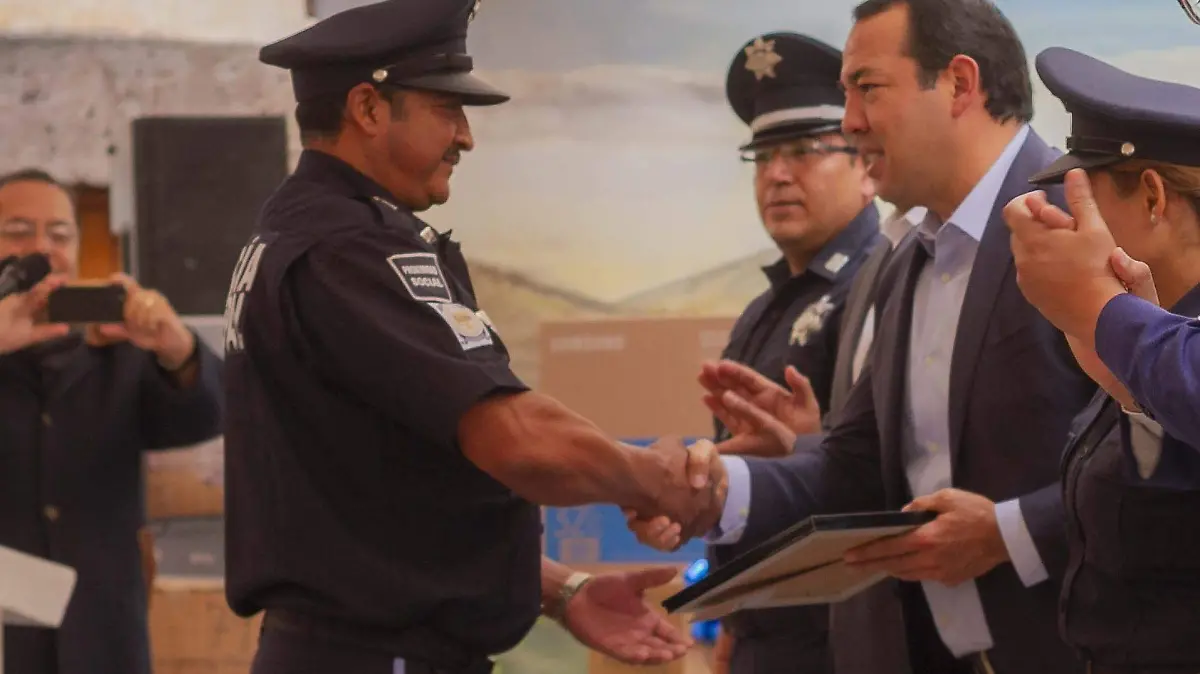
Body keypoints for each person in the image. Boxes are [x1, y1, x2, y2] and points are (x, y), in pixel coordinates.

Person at [222, 2, 723, 673]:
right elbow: (515, 438)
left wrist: (559, 591)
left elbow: (374, 494)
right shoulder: (348, 251)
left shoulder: (300, 232)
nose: (466, 137)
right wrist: (652, 479)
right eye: (446, 109)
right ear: (369, 108)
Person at [631, 1, 1100, 672]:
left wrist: (1009, 533)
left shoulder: (1085, 218)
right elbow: (854, 465)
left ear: (960, 85)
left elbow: (1169, 454)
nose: (850, 122)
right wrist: (714, 491)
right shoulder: (904, 261)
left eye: (868, 90)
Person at [1003, 47, 1200, 671]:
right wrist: (1125, 379)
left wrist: (1100, 308)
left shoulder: (1153, 339)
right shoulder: (1153, 338)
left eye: (1085, 198)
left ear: (1151, 197)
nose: (1068, 219)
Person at [704, 31, 883, 674]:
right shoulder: (767, 307)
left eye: (805, 151)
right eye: (764, 155)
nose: (778, 174)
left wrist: (815, 441)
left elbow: (902, 458)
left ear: (866, 166)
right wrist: (734, 621)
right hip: (768, 629)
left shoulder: (885, 282)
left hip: (851, 632)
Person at [0, 168, 225, 674]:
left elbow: (206, 417)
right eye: (17, 231)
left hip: (101, 636)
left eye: (59, 234)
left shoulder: (114, 351)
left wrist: (178, 350)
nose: (41, 248)